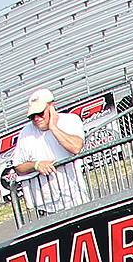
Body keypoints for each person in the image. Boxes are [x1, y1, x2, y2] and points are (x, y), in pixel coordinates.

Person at [10, 88, 88, 216]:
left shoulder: (70, 120)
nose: (36, 118)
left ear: (52, 107)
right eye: (32, 116)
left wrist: (53, 127)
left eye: (40, 113)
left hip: (75, 199)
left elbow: (76, 147)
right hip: (47, 208)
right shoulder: (25, 133)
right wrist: (36, 165)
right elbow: (18, 167)